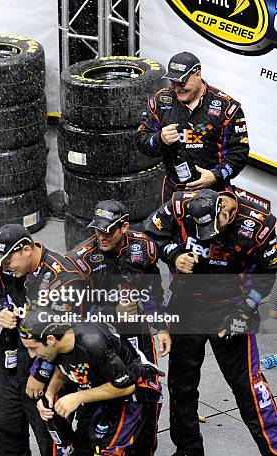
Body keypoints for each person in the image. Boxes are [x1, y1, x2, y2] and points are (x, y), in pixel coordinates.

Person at [144, 189, 277, 455]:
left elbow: (268, 272)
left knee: (248, 388)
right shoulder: (179, 205)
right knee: (181, 385)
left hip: (232, 309)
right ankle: (188, 450)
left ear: (225, 212)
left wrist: (245, 309)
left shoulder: (260, 223)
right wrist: (173, 254)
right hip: (186, 305)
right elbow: (148, 235)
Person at [66, 200, 170, 456]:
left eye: (108, 231)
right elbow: (76, 315)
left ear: (123, 227)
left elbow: (152, 290)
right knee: (104, 395)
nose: (101, 236)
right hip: (99, 338)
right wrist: (112, 311)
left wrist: (162, 327)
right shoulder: (82, 260)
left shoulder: (143, 246)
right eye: (97, 230)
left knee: (149, 393)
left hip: (137, 331)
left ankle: (145, 450)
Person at [0, 224, 82, 456]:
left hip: (49, 367)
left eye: (8, 260)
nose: (3, 266)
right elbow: (0, 295)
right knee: (2, 425)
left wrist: (41, 374)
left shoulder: (64, 278)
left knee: (52, 438)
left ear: (26, 249)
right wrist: (0, 311)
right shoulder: (6, 268)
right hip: (9, 361)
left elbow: (67, 337)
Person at [19, 306, 160, 456]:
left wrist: (77, 397)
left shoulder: (93, 343)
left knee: (108, 452)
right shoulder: (58, 345)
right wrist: (49, 393)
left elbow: (126, 386)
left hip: (131, 395)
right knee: (82, 448)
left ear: (50, 339)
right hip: (99, 390)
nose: (32, 355)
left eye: (33, 348)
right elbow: (63, 369)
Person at [136, 51, 249, 202]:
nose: (177, 88)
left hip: (214, 190)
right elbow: (141, 140)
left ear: (198, 74)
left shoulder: (227, 107)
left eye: (182, 82)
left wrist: (216, 175)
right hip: (174, 189)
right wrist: (159, 139)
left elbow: (239, 152)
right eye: (173, 82)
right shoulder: (160, 101)